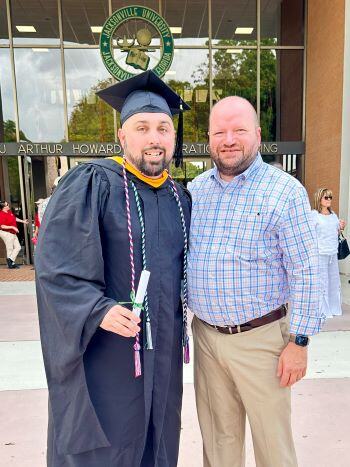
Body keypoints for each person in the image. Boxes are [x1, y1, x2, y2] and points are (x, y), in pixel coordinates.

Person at [35, 70, 191, 467]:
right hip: (108, 353)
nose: (154, 138)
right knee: (109, 446)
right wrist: (97, 309)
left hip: (164, 352)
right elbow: (56, 270)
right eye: (142, 127)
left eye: (163, 128)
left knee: (159, 440)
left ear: (173, 138)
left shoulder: (180, 197)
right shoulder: (91, 184)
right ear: (122, 136)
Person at [187, 96, 323, 467]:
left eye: (239, 130)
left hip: (262, 342)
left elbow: (306, 271)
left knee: (272, 447)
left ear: (258, 135)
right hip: (206, 338)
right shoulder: (196, 191)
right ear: (209, 138)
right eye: (220, 131)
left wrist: (299, 341)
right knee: (218, 442)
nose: (228, 139)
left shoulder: (285, 191)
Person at [312, 188, 346, 318]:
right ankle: (323, 310)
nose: (329, 200)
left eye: (330, 197)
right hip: (320, 253)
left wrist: (341, 227)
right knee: (322, 281)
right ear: (319, 199)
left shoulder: (334, 215)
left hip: (332, 252)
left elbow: (335, 233)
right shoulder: (314, 215)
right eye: (326, 197)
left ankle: (333, 308)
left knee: (334, 281)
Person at [0, 200, 28, 269]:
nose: (9, 205)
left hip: (12, 232)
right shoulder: (1, 214)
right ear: (4, 207)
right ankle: (11, 264)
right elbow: (2, 226)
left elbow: (14, 218)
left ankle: (10, 260)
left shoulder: (9, 212)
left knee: (18, 247)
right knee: (10, 249)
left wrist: (23, 221)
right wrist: (13, 227)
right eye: (7, 205)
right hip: (6, 233)